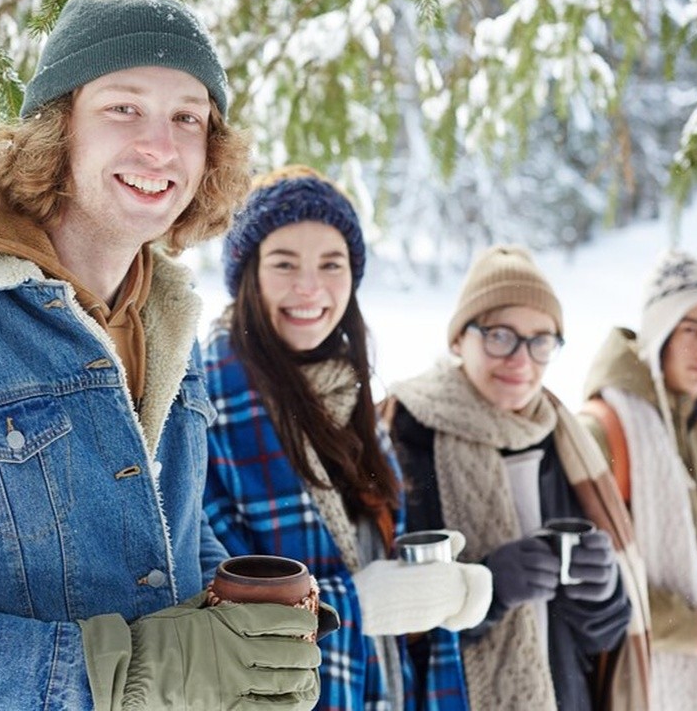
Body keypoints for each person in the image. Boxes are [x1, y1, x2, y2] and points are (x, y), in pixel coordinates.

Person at [0, 0, 326, 709]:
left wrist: (234, 642)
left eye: (188, 118)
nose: (161, 147)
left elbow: (170, 545)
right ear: (57, 127)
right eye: (123, 108)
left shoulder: (168, 320)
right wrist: (107, 672)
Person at [202, 165, 493, 710]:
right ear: (250, 277)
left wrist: (435, 591)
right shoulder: (205, 408)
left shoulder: (348, 400)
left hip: (380, 691)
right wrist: (359, 604)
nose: (310, 287)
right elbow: (211, 604)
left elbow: (372, 556)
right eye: (284, 263)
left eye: (331, 265)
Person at [385, 244, 652, 711]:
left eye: (540, 341)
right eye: (500, 335)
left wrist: (602, 593)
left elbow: (604, 638)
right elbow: (388, 624)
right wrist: (484, 589)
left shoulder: (564, 442)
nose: (521, 360)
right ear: (458, 338)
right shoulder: (402, 436)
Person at [579, 248, 697, 710]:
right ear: (658, 334)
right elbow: (583, 583)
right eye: (691, 329)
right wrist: (690, 628)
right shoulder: (605, 428)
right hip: (635, 684)